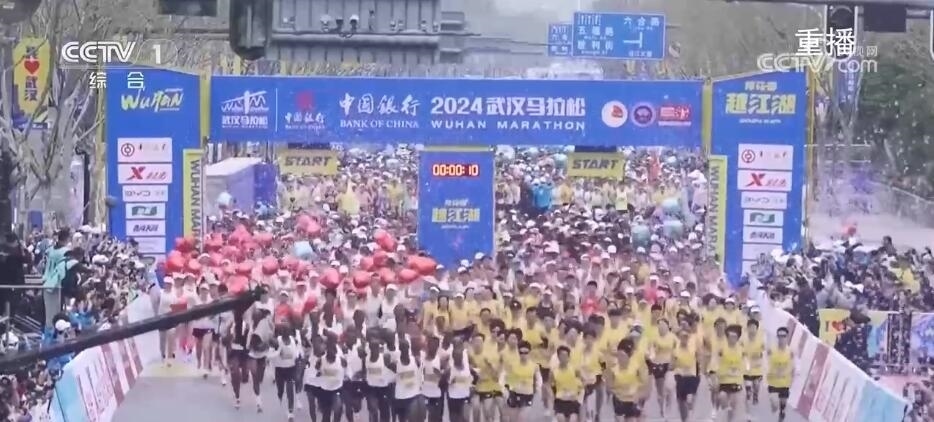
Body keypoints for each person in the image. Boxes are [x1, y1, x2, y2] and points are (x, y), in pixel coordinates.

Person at [40, 229, 70, 328]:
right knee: (57, 314)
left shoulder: (49, 250)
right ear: (67, 239)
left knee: (48, 312)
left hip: (46, 282)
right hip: (57, 284)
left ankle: (48, 332)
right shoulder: (65, 251)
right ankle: (54, 333)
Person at [271, 323, 301, 420]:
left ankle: (290, 411)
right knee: (280, 390)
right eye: (284, 330)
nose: (286, 332)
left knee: (290, 388)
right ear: (281, 331)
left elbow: (297, 354)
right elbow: (271, 353)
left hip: (290, 369)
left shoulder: (293, 341)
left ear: (290, 331)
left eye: (287, 330)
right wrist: (277, 352)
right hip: (279, 370)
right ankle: (280, 397)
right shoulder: (277, 341)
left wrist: (298, 364)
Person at [717, 324, 746, 422]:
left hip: (736, 380)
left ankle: (730, 419)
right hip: (724, 379)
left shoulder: (741, 349)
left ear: (737, 338)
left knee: (734, 404)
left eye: (734, 337)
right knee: (722, 397)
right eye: (730, 336)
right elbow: (717, 362)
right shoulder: (722, 349)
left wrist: (741, 371)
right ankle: (724, 410)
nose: (732, 339)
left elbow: (744, 363)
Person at [767, 327, 794, 422]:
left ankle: (782, 413)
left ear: (787, 337)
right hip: (773, 382)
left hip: (784, 383)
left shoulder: (791, 352)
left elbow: (793, 366)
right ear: (777, 337)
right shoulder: (771, 350)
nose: (781, 338)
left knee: (783, 402)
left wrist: (790, 377)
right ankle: (775, 407)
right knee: (774, 405)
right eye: (779, 336)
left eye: (784, 336)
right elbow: (766, 363)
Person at [552, 345, 584, 422]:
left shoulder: (574, 369)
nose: (564, 358)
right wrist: (553, 399)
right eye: (562, 356)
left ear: (568, 357)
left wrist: (580, 397)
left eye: (566, 356)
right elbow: (550, 386)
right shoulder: (554, 371)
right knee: (561, 419)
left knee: (573, 420)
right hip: (560, 401)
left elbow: (583, 382)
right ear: (558, 357)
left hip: (572, 401)